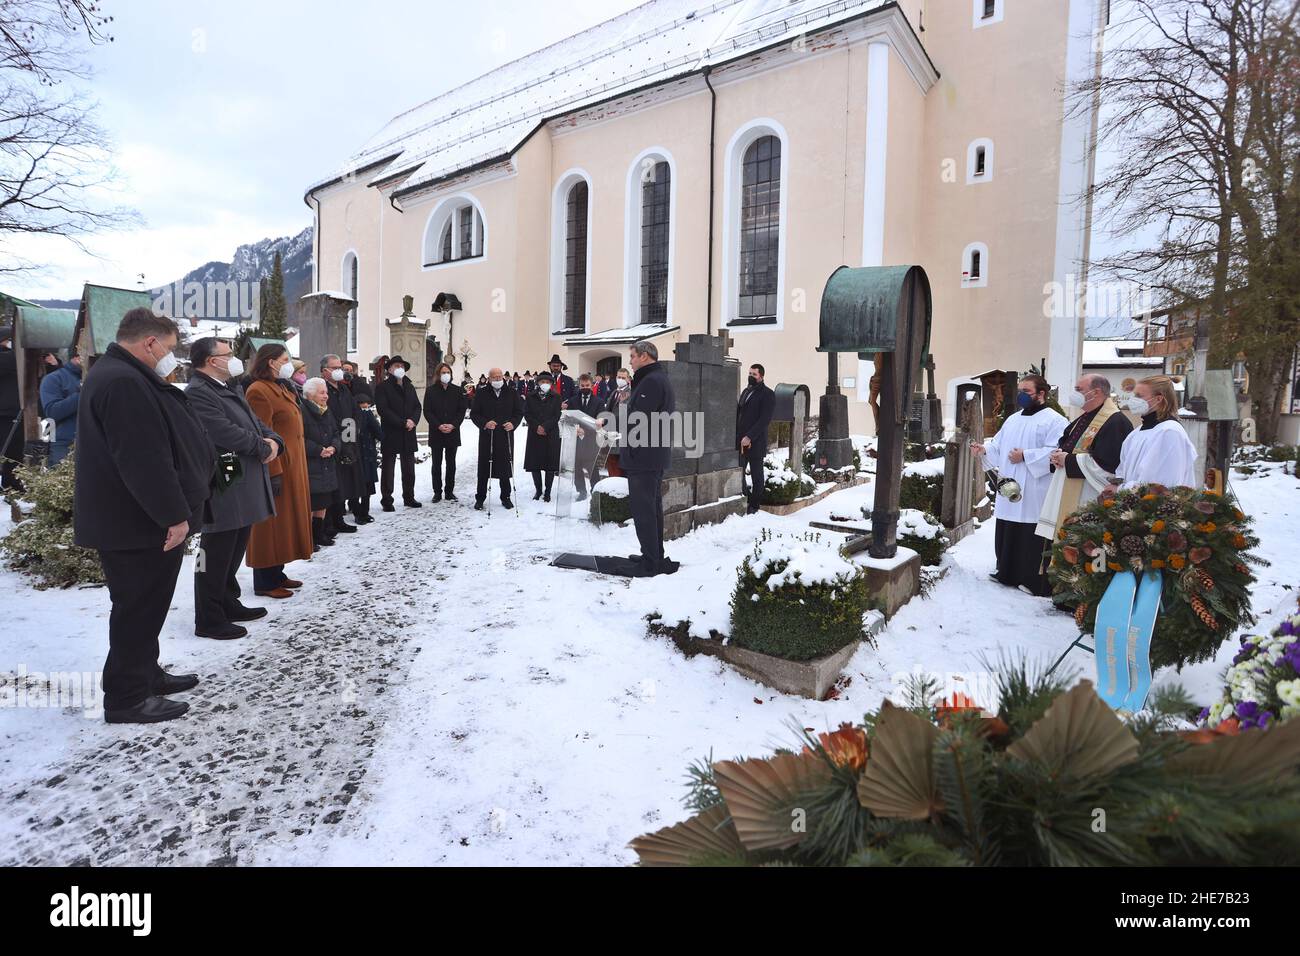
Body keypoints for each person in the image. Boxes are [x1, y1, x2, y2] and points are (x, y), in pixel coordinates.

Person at [72, 308, 214, 724]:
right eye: (169, 348)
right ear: (149, 342)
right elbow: (142, 459)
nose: (171, 356)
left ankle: (146, 673)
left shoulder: (122, 374)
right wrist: (174, 515)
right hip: (136, 522)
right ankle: (127, 698)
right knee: (137, 606)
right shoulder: (123, 381)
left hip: (135, 519)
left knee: (146, 606)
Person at [185, 337, 283, 639]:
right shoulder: (199, 392)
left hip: (241, 467)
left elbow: (254, 423)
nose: (234, 358)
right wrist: (261, 447)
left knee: (237, 537)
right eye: (228, 354)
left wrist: (273, 441)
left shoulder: (229, 387)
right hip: (224, 469)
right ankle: (209, 616)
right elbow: (221, 431)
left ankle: (228, 600)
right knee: (217, 545)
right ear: (212, 360)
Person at [969, 374, 1066, 596]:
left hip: (1035, 487)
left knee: (1031, 532)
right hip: (1010, 484)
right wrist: (984, 450)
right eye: (1020, 390)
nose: (1022, 395)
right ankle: (1006, 571)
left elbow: (1057, 452)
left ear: (1041, 394)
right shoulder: (1013, 419)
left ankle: (1032, 579)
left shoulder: (1055, 421)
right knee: (1008, 526)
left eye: (1027, 391)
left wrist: (1026, 455)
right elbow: (999, 446)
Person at [244, 344, 314, 599]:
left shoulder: (280, 387)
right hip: (277, 466)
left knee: (284, 523)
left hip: (293, 463)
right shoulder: (258, 391)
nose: (289, 363)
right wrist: (273, 471)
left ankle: (277, 572)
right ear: (271, 362)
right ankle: (264, 580)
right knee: (270, 526)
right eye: (285, 359)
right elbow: (262, 435)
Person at [1036, 373, 1132, 543]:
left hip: (1088, 495)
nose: (1075, 394)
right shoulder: (1086, 416)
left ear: (1095, 392)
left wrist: (1068, 460)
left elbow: (1109, 465)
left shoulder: (1115, 421)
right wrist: (1058, 456)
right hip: (1067, 488)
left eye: (1079, 390)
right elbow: (1067, 444)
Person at [623, 340, 677, 576]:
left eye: (633, 356)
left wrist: (611, 423)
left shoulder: (652, 381)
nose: (631, 361)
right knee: (650, 508)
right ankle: (653, 555)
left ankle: (651, 561)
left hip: (645, 456)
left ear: (644, 356)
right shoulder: (653, 379)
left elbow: (639, 419)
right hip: (648, 455)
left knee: (645, 510)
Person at [1112, 374, 1198, 490]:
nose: (1133, 400)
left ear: (1158, 399)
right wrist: (1117, 484)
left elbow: (1159, 485)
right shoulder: (1136, 433)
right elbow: (1122, 470)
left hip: (1154, 505)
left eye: (1139, 396)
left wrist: (1120, 489)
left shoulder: (1169, 432)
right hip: (1130, 503)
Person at [320, 354, 363, 533]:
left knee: (344, 483)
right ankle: (328, 523)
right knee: (332, 484)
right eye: (335, 367)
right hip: (330, 441)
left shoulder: (344, 390)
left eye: (340, 367)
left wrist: (351, 437)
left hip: (347, 440)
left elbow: (354, 413)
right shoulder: (322, 390)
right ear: (324, 371)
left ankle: (339, 519)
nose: (339, 371)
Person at [470, 366, 522, 510]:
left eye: (500, 376)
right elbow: (474, 414)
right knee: (484, 469)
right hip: (488, 436)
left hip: (505, 436)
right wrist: (485, 423)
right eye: (494, 377)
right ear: (489, 378)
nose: (498, 379)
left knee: (505, 467)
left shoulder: (511, 392)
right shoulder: (481, 393)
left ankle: (505, 497)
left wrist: (513, 423)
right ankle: (480, 498)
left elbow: (518, 412)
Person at [374, 355, 423, 510]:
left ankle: (409, 497)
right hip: (391, 431)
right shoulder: (383, 387)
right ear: (389, 369)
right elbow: (383, 409)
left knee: (409, 468)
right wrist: (402, 422)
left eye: (401, 366)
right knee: (388, 468)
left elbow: (417, 406)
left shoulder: (409, 386)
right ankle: (387, 500)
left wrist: (413, 421)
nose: (399, 369)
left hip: (408, 431)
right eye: (396, 366)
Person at [301, 377, 341, 549]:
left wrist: (334, 446)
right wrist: (318, 450)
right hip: (312, 464)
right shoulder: (302, 411)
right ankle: (309, 538)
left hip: (327, 462)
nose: (326, 396)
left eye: (326, 392)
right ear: (310, 395)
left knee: (323, 502)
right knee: (311, 503)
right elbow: (299, 438)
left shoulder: (326, 410)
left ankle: (319, 534)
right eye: (322, 393)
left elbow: (336, 432)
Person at [423, 361, 467, 502]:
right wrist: (438, 425)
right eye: (443, 372)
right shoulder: (430, 391)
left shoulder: (457, 390)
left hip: (452, 432)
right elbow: (427, 411)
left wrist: (453, 425)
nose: (446, 375)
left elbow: (461, 410)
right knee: (436, 464)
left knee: (451, 463)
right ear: (438, 374)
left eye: (448, 372)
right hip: (437, 432)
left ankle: (449, 491)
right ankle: (437, 491)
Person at [736, 363, 776, 515]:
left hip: (755, 442)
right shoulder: (746, 391)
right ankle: (745, 499)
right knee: (739, 474)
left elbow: (764, 420)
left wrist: (749, 436)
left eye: (754, 374)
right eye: (750, 373)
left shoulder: (767, 394)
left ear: (761, 376)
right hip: (741, 442)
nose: (751, 376)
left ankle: (754, 506)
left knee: (756, 476)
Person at [39, 349, 83, 466]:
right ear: (75, 357)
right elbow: (52, 412)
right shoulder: (54, 379)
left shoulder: (101, 377)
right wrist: (81, 394)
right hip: (65, 443)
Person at [524, 370, 562, 501]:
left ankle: (548, 491)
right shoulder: (530, 396)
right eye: (542, 381)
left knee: (550, 465)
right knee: (535, 464)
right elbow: (527, 414)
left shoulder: (556, 397)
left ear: (551, 383)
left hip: (550, 433)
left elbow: (556, 415)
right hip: (535, 433)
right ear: (538, 383)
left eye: (547, 382)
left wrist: (545, 426)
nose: (545, 384)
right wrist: (537, 427)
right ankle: (538, 490)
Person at [573, 372, 604, 500]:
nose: (585, 387)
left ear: (591, 386)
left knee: (592, 467)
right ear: (579, 386)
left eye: (587, 385)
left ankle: (595, 490)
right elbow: (568, 418)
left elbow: (602, 417)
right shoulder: (572, 400)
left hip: (591, 439)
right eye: (582, 385)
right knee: (577, 467)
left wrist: (601, 420)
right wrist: (575, 428)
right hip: (576, 439)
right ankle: (581, 491)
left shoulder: (599, 401)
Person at [354, 391, 381, 522]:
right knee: (366, 486)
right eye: (365, 405)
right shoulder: (367, 414)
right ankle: (363, 513)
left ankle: (358, 510)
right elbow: (378, 431)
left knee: (357, 485)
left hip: (357, 454)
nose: (367, 407)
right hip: (366, 454)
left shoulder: (350, 414)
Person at [0, 326, 21, 490]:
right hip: (5, 413)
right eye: (9, 341)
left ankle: (10, 483)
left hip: (13, 411)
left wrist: (55, 363)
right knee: (9, 450)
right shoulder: (7, 358)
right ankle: (10, 483)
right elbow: (14, 360)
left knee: (13, 451)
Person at [602, 367, 632, 477]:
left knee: (621, 470)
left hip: (623, 436)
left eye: (623, 378)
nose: (620, 379)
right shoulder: (614, 392)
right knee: (612, 466)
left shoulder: (631, 393)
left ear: (628, 379)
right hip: (611, 435)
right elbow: (608, 410)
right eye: (619, 377)